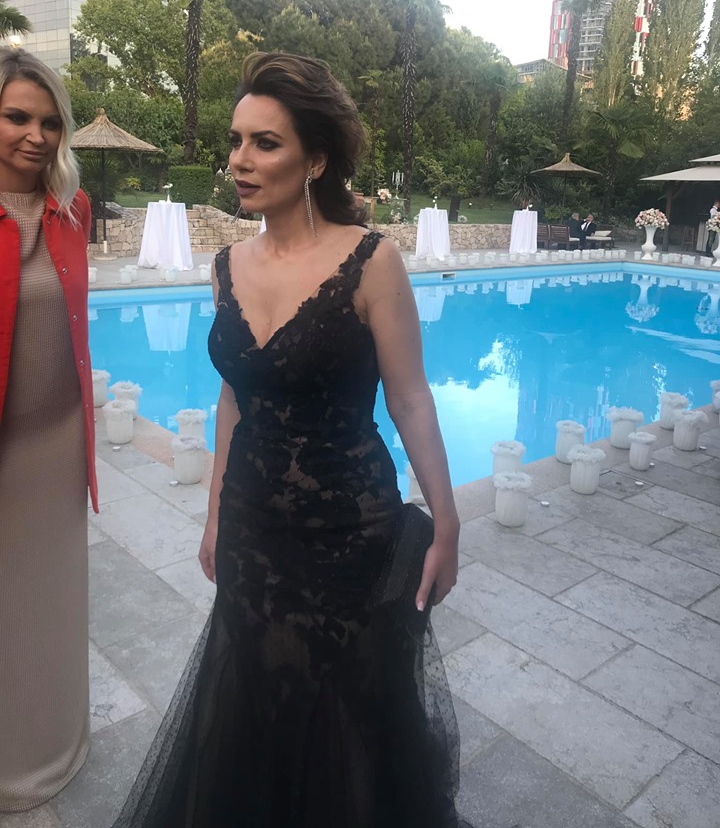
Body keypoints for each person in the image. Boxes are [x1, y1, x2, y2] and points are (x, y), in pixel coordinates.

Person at [111, 52, 467, 828]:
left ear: (315, 160)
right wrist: (214, 515)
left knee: (349, 720)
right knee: (256, 704)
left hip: (350, 533)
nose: (240, 160)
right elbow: (234, 396)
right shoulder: (225, 267)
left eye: (264, 143)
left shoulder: (371, 261)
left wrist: (447, 522)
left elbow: (410, 397)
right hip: (252, 529)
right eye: (236, 141)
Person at [0, 48, 97, 811]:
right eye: (16, 117)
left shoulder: (74, 210)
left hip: (59, 442)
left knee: (53, 605)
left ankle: (53, 744)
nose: (36, 136)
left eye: (49, 121)